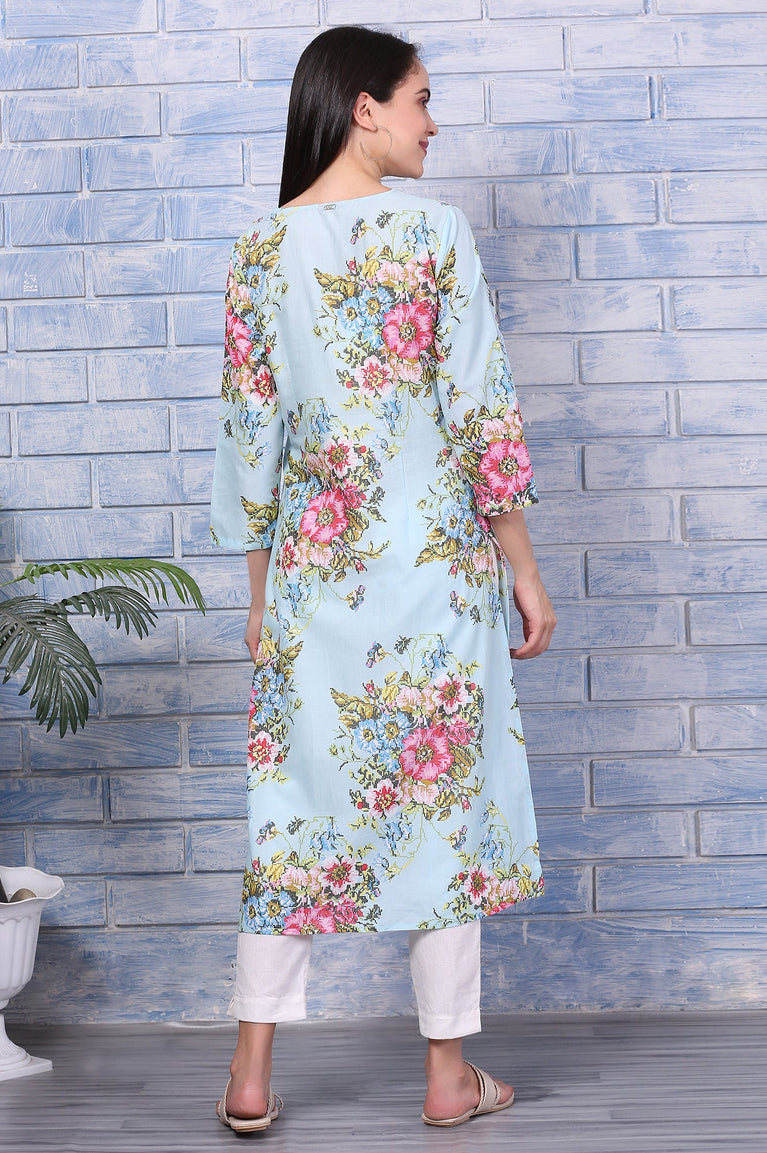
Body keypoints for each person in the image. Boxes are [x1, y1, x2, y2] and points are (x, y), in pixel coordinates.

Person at [209, 24, 556, 1133]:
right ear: (362, 107)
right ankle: (447, 1075)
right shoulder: (434, 234)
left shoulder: (259, 252)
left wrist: (260, 598)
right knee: (443, 810)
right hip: (436, 574)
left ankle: (250, 1071)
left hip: (313, 577)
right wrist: (524, 570)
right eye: (419, 99)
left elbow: (249, 447)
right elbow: (479, 415)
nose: (431, 123)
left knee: (291, 812)